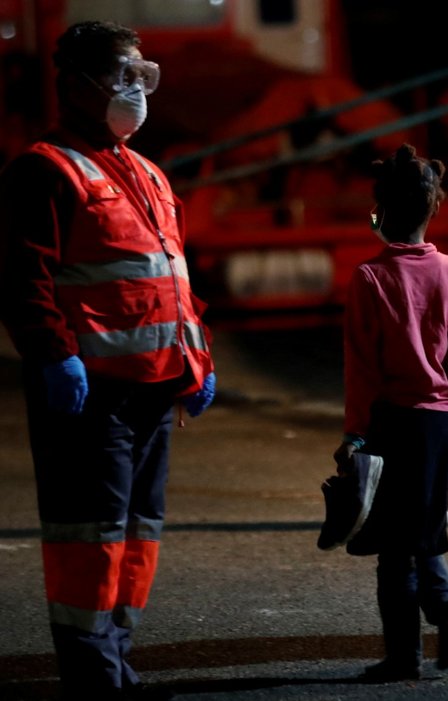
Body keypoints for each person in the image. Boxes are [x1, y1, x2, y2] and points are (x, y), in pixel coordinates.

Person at [0, 21, 216, 701]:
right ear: (76, 84)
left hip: (154, 391)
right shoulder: (44, 169)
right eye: (121, 75)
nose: (134, 89)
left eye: (140, 75)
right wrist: (52, 356)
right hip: (90, 397)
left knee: (135, 542)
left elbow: (173, 276)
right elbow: (22, 279)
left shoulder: (147, 172)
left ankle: (118, 669)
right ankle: (93, 680)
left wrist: (198, 358)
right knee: (88, 543)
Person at [332, 143, 448, 680]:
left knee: (392, 548)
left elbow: (361, 368)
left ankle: (404, 656)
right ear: (433, 210)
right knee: (422, 526)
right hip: (442, 423)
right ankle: (445, 609)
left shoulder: (368, 277)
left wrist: (354, 434)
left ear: (380, 213)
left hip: (392, 420)